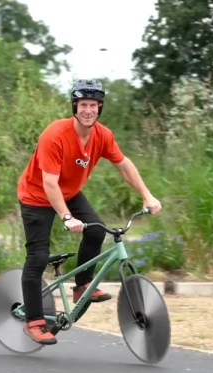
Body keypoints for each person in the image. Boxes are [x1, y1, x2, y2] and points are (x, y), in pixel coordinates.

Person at [16, 79, 162, 345]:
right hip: (37, 196)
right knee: (37, 256)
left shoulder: (102, 135)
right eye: (83, 104)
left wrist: (147, 195)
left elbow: (124, 164)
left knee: (96, 231)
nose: (88, 110)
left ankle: (82, 285)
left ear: (99, 108)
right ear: (75, 106)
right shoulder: (55, 134)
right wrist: (67, 217)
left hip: (69, 192)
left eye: (93, 105)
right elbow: (49, 182)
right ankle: (34, 322)